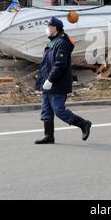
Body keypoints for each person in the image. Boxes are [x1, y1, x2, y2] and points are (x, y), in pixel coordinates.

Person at [35, 16, 92, 144]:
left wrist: (50, 80)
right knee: (46, 110)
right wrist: (43, 79)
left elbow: (60, 65)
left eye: (48, 26)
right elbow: (47, 63)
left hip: (57, 83)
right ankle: (48, 136)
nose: (46, 29)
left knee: (59, 110)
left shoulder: (61, 43)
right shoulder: (52, 42)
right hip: (48, 82)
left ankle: (83, 124)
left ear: (54, 28)